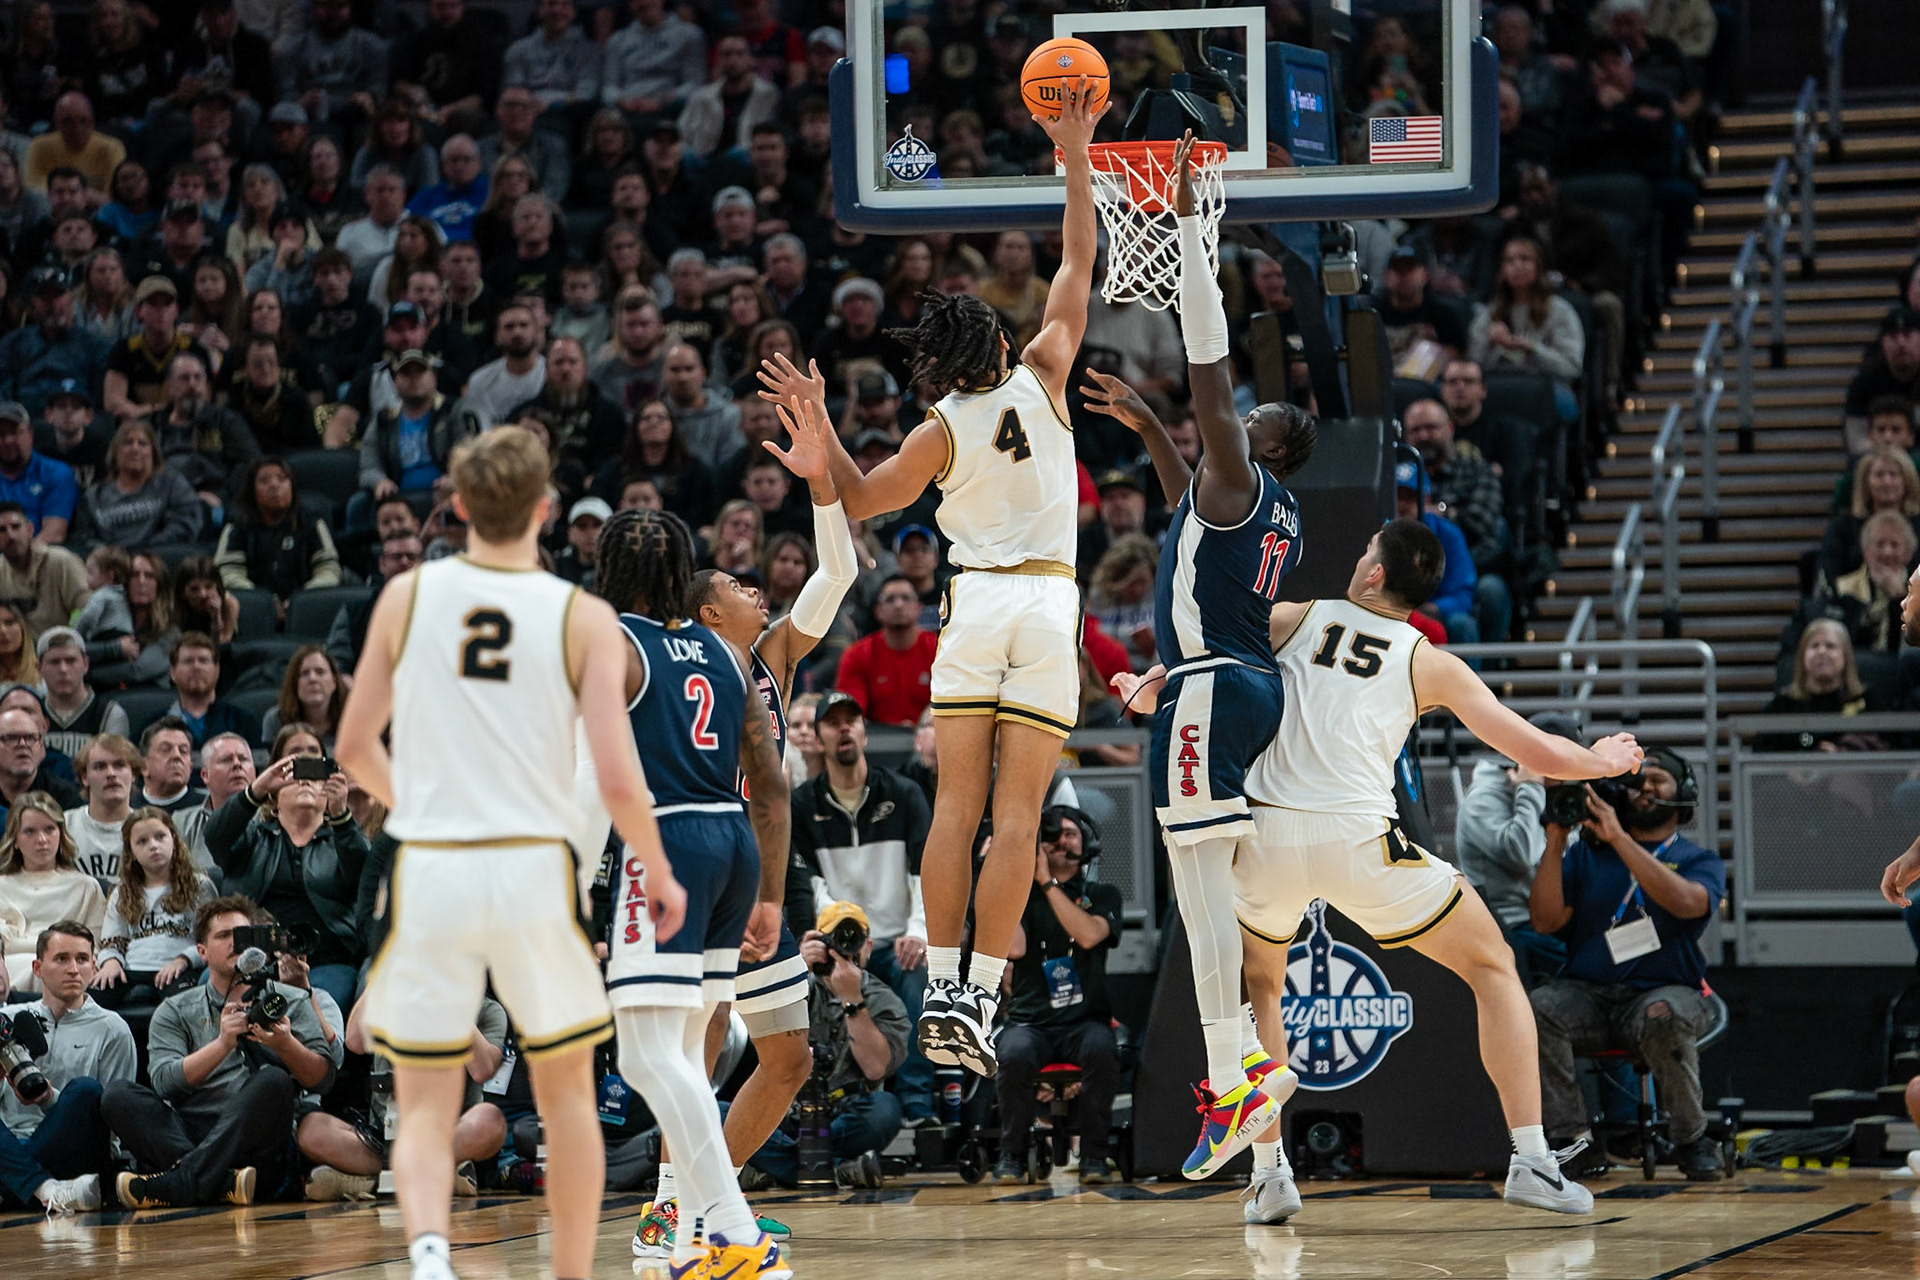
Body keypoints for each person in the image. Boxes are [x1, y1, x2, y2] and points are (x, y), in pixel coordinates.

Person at [1118, 520, 1644, 1216]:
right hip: (1359, 841)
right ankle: (1532, 1162)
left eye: (1365, 549)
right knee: (1493, 966)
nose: (1358, 555)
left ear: (1374, 575)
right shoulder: (1432, 662)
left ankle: (1270, 1176)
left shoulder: (1294, 617)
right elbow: (1538, 752)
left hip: (1266, 836)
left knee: (1263, 988)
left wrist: (1147, 688)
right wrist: (1603, 760)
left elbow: (1201, 670)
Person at [761, 84, 1101, 1090]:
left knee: (955, 808)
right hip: (1047, 603)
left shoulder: (937, 430)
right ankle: (982, 993)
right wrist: (1074, 153)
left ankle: (945, 982)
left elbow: (860, 500)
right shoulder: (1045, 368)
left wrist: (823, 438)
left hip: (977, 603)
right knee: (1018, 817)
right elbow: (1078, 261)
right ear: (995, 341)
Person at [335, 427, 689, 1280]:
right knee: (567, 1101)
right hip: (534, 867)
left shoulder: (407, 596)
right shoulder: (583, 616)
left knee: (424, 1100)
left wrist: (421, 806)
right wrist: (658, 868)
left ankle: (429, 1255)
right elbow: (617, 778)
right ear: (545, 508)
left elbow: (352, 746)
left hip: (433, 865)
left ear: (457, 505)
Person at [1074, 134, 1314, 1178]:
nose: (1234, 420)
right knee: (1205, 881)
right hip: (1238, 687)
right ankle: (1238, 1069)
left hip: (1212, 693)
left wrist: (1188, 239)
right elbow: (1189, 507)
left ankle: (1235, 1072)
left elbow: (1209, 370)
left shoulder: (1241, 469)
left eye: (1251, 420)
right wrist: (1145, 427)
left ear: (1268, 442)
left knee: (1199, 891)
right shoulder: (1262, 507)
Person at [627, 444, 858, 1256]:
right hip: (699, 858)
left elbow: (838, 573)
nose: (756, 590)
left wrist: (822, 480)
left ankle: (709, 1198)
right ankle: (670, 1211)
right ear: (707, 611)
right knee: (700, 1040)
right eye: (736, 585)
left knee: (789, 1056)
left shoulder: (773, 658)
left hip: (758, 867)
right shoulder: (669, 660)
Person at [580, 506, 790, 1279]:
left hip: (666, 841)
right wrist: (770, 895)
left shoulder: (612, 642)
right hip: (734, 844)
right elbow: (772, 784)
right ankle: (698, 1237)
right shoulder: (726, 653)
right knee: (680, 1052)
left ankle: (734, 1232)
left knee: (646, 1054)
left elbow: (593, 776)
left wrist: (575, 891)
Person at [1529, 749, 1725, 1180]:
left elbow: (1689, 904)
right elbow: (1544, 921)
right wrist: (1556, 841)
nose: (1646, 787)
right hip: (1591, 996)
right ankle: (1571, 1141)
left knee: (1664, 1013)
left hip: (1665, 991)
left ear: (1683, 793)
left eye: (1659, 779)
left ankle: (1692, 1138)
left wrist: (1620, 839)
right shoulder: (1586, 856)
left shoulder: (1698, 859)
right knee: (1535, 1009)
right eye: (1638, 780)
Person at [102, 895, 335, 1208]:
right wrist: (222, 1044)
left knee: (274, 1080)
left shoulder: (290, 999)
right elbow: (165, 1082)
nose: (235, 943)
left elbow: (323, 1080)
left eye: (243, 935)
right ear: (201, 952)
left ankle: (182, 1181)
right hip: (190, 1132)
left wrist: (285, 1044)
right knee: (118, 1095)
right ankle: (221, 1182)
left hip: (259, 1143)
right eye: (223, 936)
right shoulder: (175, 1009)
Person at [786, 690, 935, 1122]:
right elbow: (804, 885)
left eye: (851, 720)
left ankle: (917, 1106)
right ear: (818, 739)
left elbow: (925, 873)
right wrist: (833, 939)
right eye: (833, 723)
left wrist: (918, 932)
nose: (844, 729)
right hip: (837, 945)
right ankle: (823, 1106)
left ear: (865, 732)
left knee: (917, 974)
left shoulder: (904, 794)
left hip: (894, 942)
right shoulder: (802, 805)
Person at [994, 806, 1124, 1186]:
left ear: (1087, 843)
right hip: (1030, 1022)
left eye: (1070, 834)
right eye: (1051, 835)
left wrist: (1048, 884)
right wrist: (1013, 876)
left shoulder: (1102, 894)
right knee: (1012, 1053)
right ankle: (1011, 1156)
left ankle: (1094, 1157)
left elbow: (1089, 935)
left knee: (1101, 1049)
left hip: (1085, 1021)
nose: (1061, 841)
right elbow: (1014, 948)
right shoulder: (1021, 896)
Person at [741, 902, 910, 1189]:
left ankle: (781, 1167)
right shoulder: (796, 987)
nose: (844, 948)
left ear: (869, 946)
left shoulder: (884, 1000)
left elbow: (875, 1068)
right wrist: (794, 968)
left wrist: (852, 1000)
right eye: (834, 938)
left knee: (886, 1110)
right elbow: (754, 1038)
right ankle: (838, 1169)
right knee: (718, 1111)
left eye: (853, 938)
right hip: (784, 1113)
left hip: (845, 1115)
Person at [297, 990, 507, 1202]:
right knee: (312, 1129)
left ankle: (373, 1180)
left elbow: (482, 1069)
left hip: (449, 1133)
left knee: (490, 1121)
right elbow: (355, 1041)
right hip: (384, 1138)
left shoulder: (486, 1010)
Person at [0, 920, 135, 1212]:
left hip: (75, 1154)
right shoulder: (9, 1019)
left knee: (86, 1091)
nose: (74, 969)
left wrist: (49, 1098)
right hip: (12, 1146)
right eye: (62, 959)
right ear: (37, 968)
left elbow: (112, 1120)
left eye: (82, 959)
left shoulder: (114, 1029)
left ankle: (15, 1185)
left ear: (94, 968)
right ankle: (44, 1189)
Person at [93, 808, 213, 1011]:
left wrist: (184, 960)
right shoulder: (122, 891)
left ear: (174, 839)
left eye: (160, 837)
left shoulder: (199, 885)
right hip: (131, 968)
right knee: (89, 1000)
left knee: (186, 1006)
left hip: (179, 967)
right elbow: (112, 940)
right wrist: (111, 961)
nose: (153, 846)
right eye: (142, 841)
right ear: (131, 851)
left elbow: (209, 940)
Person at [0, 795, 107, 992]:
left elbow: (96, 948)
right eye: (30, 832)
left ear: (61, 834)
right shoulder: (2, 886)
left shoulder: (85, 887)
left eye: (49, 829)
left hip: (65, 969)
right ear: (15, 840)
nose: (42, 840)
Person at [833, 574, 937, 727]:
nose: (898, 605)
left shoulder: (939, 650)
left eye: (906, 598)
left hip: (930, 733)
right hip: (875, 737)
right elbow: (851, 713)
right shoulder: (857, 655)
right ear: (878, 610)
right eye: (890, 599)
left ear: (919, 608)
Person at [63, 732, 143, 886]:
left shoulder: (149, 828)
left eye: (119, 765)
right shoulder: (64, 826)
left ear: (133, 774)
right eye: (100, 767)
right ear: (84, 777)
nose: (111, 774)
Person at [38, 629, 129, 759]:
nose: (63, 669)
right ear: (39, 667)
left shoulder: (108, 714)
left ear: (85, 664)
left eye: (70, 661)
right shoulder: (31, 712)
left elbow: (114, 766)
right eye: (54, 662)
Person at [0, 502, 89, 634]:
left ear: (30, 529)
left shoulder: (62, 562)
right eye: (2, 530)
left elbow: (88, 612)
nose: (11, 535)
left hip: (65, 643)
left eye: (16, 527)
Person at [165, 633, 263, 750]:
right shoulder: (155, 727)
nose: (196, 667)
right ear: (172, 672)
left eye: (203, 660)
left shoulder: (244, 723)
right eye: (188, 661)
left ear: (217, 670)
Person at [262, 646, 347, 748]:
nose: (312, 678)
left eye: (320, 672)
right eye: (305, 673)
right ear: (294, 683)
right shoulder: (276, 720)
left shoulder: (352, 719)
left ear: (334, 681)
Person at [134, 717, 203, 818]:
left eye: (183, 751)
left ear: (190, 766)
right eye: (165, 750)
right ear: (144, 767)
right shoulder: (127, 809)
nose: (176, 755)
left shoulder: (206, 810)